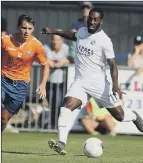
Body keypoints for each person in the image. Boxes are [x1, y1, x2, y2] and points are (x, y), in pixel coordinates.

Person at [41, 8, 143, 155]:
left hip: (100, 85)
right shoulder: (82, 32)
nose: (92, 22)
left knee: (120, 116)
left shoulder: (105, 41)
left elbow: (113, 65)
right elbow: (71, 35)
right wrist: (53, 31)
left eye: (96, 19)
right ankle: (61, 143)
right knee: (66, 106)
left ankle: (133, 115)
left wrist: (115, 85)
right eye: (90, 18)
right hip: (80, 82)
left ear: (101, 21)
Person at [1, 14, 50, 132]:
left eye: (30, 28)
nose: (27, 31)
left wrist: (43, 85)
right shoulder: (6, 40)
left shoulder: (36, 45)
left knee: (3, 119)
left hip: (20, 85)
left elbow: (46, 65)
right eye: (24, 28)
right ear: (18, 27)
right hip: (3, 78)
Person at [43, 34, 70, 128]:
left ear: (61, 41)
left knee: (59, 103)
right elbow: (40, 56)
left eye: (57, 40)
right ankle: (53, 124)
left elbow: (71, 58)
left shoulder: (66, 48)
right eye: (53, 40)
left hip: (61, 82)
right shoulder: (46, 47)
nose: (55, 42)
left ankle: (58, 124)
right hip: (49, 81)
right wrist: (48, 61)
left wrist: (63, 62)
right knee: (51, 104)